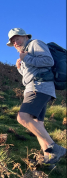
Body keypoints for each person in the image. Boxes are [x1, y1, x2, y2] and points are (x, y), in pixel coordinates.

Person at [7, 28, 66, 165]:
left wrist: (26, 58)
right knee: (38, 123)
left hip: (39, 87)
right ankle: (49, 159)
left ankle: (56, 149)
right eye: (12, 41)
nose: (15, 43)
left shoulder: (35, 44)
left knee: (23, 117)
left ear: (25, 36)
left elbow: (48, 61)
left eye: (17, 39)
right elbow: (31, 73)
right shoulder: (25, 51)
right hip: (35, 87)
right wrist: (20, 68)